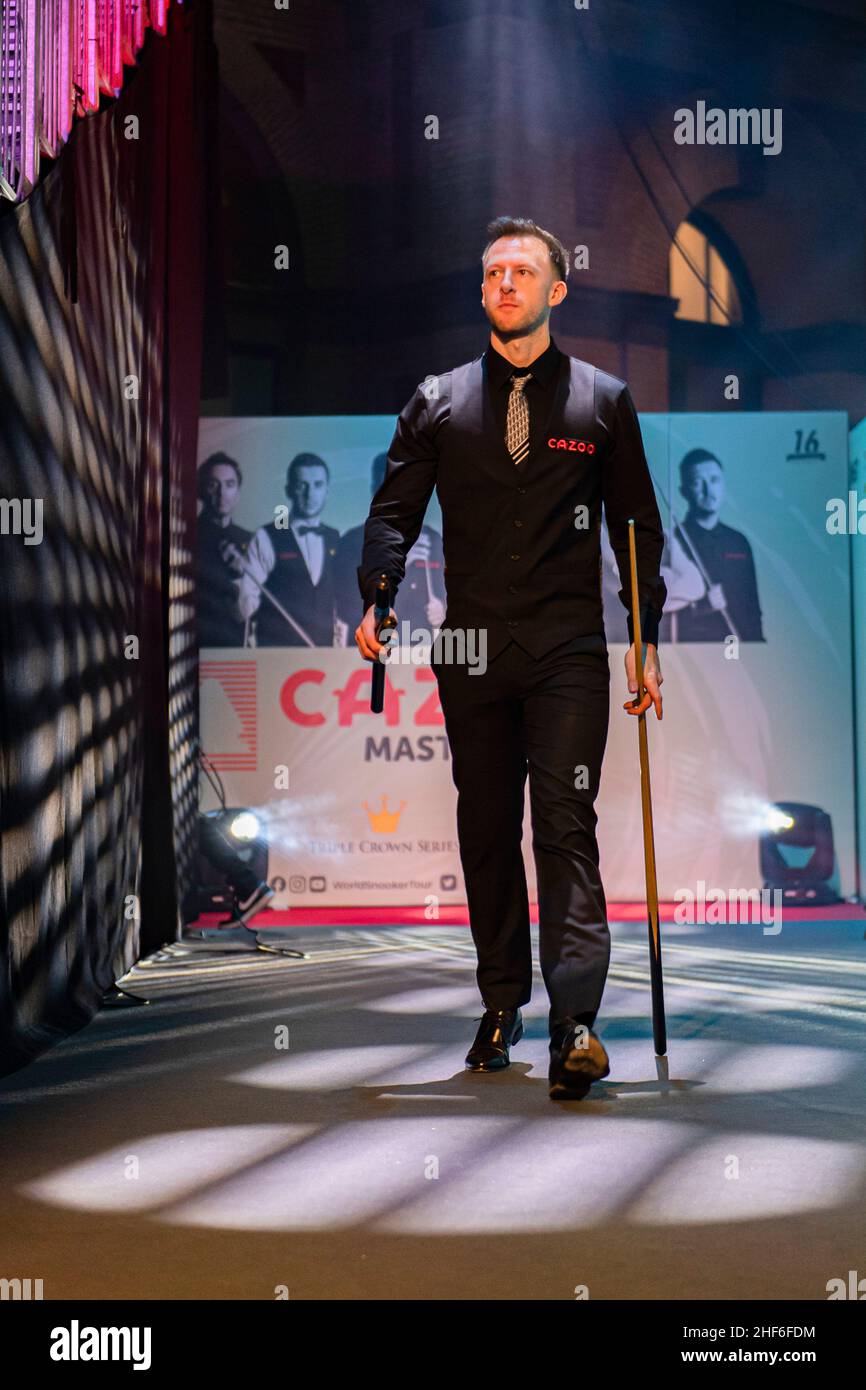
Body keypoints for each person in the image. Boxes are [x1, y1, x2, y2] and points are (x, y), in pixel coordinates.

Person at [355, 215, 667, 1101]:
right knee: (487, 828)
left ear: (555, 291)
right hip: (471, 646)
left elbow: (636, 525)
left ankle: (577, 1025)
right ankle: (502, 1003)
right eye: (493, 272)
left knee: (564, 824)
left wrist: (644, 641)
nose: (504, 284)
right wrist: (378, 591)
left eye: (522, 272)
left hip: (569, 645)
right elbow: (394, 513)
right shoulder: (440, 400)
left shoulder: (602, 401)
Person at [334, 453, 446, 641]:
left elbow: (452, 596)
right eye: (385, 488)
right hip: (371, 651)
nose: (395, 496)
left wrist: (441, 610)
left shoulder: (433, 539)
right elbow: (347, 607)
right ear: (373, 490)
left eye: (402, 487)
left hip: (422, 652)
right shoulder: (351, 542)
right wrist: (403, 565)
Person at [238, 453, 342, 647]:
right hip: (276, 655)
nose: (310, 494)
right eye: (302, 485)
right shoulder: (267, 535)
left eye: (318, 485)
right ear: (289, 490)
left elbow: (336, 601)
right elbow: (246, 600)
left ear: (327, 490)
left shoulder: (334, 537)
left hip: (325, 658)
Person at [672, 449, 765, 642]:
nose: (709, 490)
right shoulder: (674, 540)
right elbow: (660, 613)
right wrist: (702, 606)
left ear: (723, 484)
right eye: (698, 482)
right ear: (685, 491)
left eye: (714, 480)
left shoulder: (738, 541)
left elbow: (752, 606)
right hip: (693, 654)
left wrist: (758, 647)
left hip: (743, 654)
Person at [196, 452, 253, 648]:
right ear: (201, 490)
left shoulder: (251, 540)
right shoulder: (185, 536)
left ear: (238, 493)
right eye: (213, 485)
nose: (222, 493)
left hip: (238, 646)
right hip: (197, 645)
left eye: (229, 485)